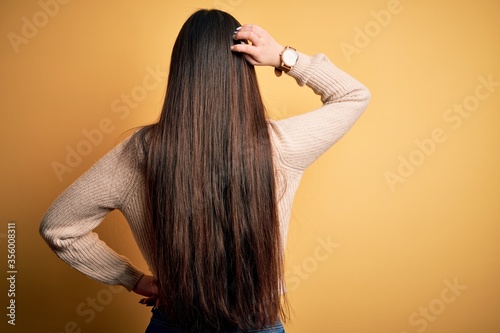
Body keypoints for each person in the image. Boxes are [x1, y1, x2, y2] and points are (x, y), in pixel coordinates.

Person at [40, 8, 370, 333]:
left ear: (180, 70)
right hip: (256, 322)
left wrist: (134, 280)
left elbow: (58, 228)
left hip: (173, 322)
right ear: (244, 69)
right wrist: (283, 56)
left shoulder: (139, 151)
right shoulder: (279, 145)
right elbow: (353, 96)